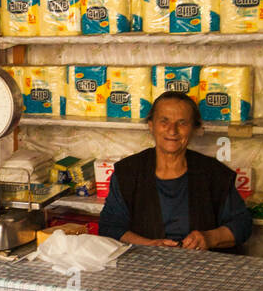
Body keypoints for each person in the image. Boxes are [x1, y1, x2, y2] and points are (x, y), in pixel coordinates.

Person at [97, 91, 253, 251]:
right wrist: (150, 245)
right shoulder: (128, 172)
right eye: (164, 121)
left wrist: (209, 238)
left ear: (193, 128)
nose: (172, 130)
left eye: (182, 123)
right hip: (144, 265)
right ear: (151, 125)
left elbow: (243, 224)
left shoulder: (214, 173)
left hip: (202, 266)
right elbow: (109, 226)